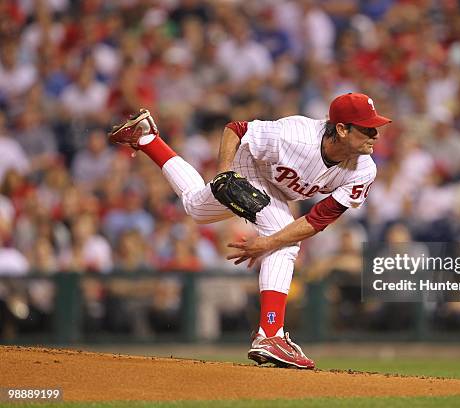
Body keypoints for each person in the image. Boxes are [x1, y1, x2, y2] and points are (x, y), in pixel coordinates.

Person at [108, 92, 391, 369]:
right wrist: (223, 173)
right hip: (249, 166)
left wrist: (267, 242)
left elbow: (317, 220)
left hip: (278, 192)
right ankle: (270, 334)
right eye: (368, 129)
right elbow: (236, 129)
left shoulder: (364, 170)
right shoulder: (294, 135)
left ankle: (146, 137)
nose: (375, 136)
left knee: (196, 207)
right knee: (285, 240)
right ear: (341, 129)